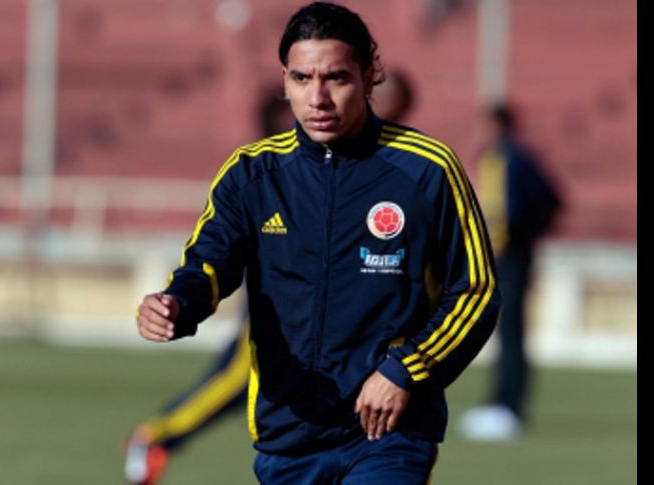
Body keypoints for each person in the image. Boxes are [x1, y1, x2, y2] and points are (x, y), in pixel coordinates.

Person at [135, 2, 500, 483]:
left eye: (337, 78)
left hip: (387, 434)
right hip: (289, 435)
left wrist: (405, 370)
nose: (318, 98)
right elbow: (208, 263)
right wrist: (175, 304)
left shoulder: (427, 170)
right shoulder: (252, 173)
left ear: (370, 77)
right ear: (284, 80)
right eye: (303, 79)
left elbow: (475, 290)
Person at [124, 69, 418, 485]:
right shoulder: (265, 171)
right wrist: (180, 300)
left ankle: (159, 436)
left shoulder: (395, 168)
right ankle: (157, 436)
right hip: (282, 322)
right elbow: (211, 257)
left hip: (344, 350)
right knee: (235, 380)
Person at [458, 104, 562, 441]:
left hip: (507, 256)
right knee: (509, 331)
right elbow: (552, 200)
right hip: (518, 252)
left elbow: (504, 212)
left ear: (495, 126)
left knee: (510, 331)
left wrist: (506, 242)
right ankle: (503, 404)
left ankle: (507, 407)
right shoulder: (522, 157)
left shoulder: (503, 159)